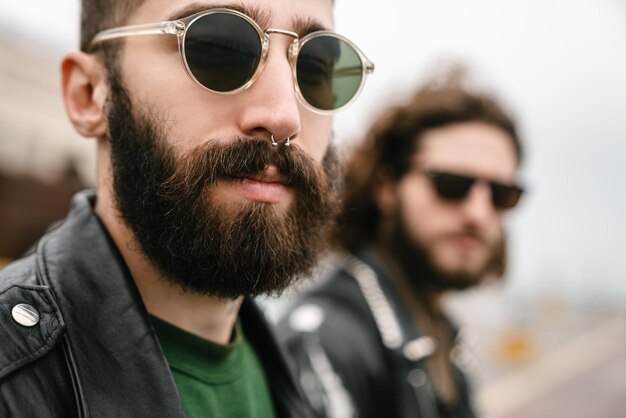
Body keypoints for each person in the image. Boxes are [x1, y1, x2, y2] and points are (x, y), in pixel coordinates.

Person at [0, 0, 374, 416]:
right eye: (219, 48)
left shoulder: (312, 383)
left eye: (315, 68)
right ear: (89, 94)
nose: (285, 116)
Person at [278, 69, 524, 418]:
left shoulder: (442, 337)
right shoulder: (327, 343)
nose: (479, 213)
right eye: (452, 185)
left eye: (502, 195)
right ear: (386, 187)